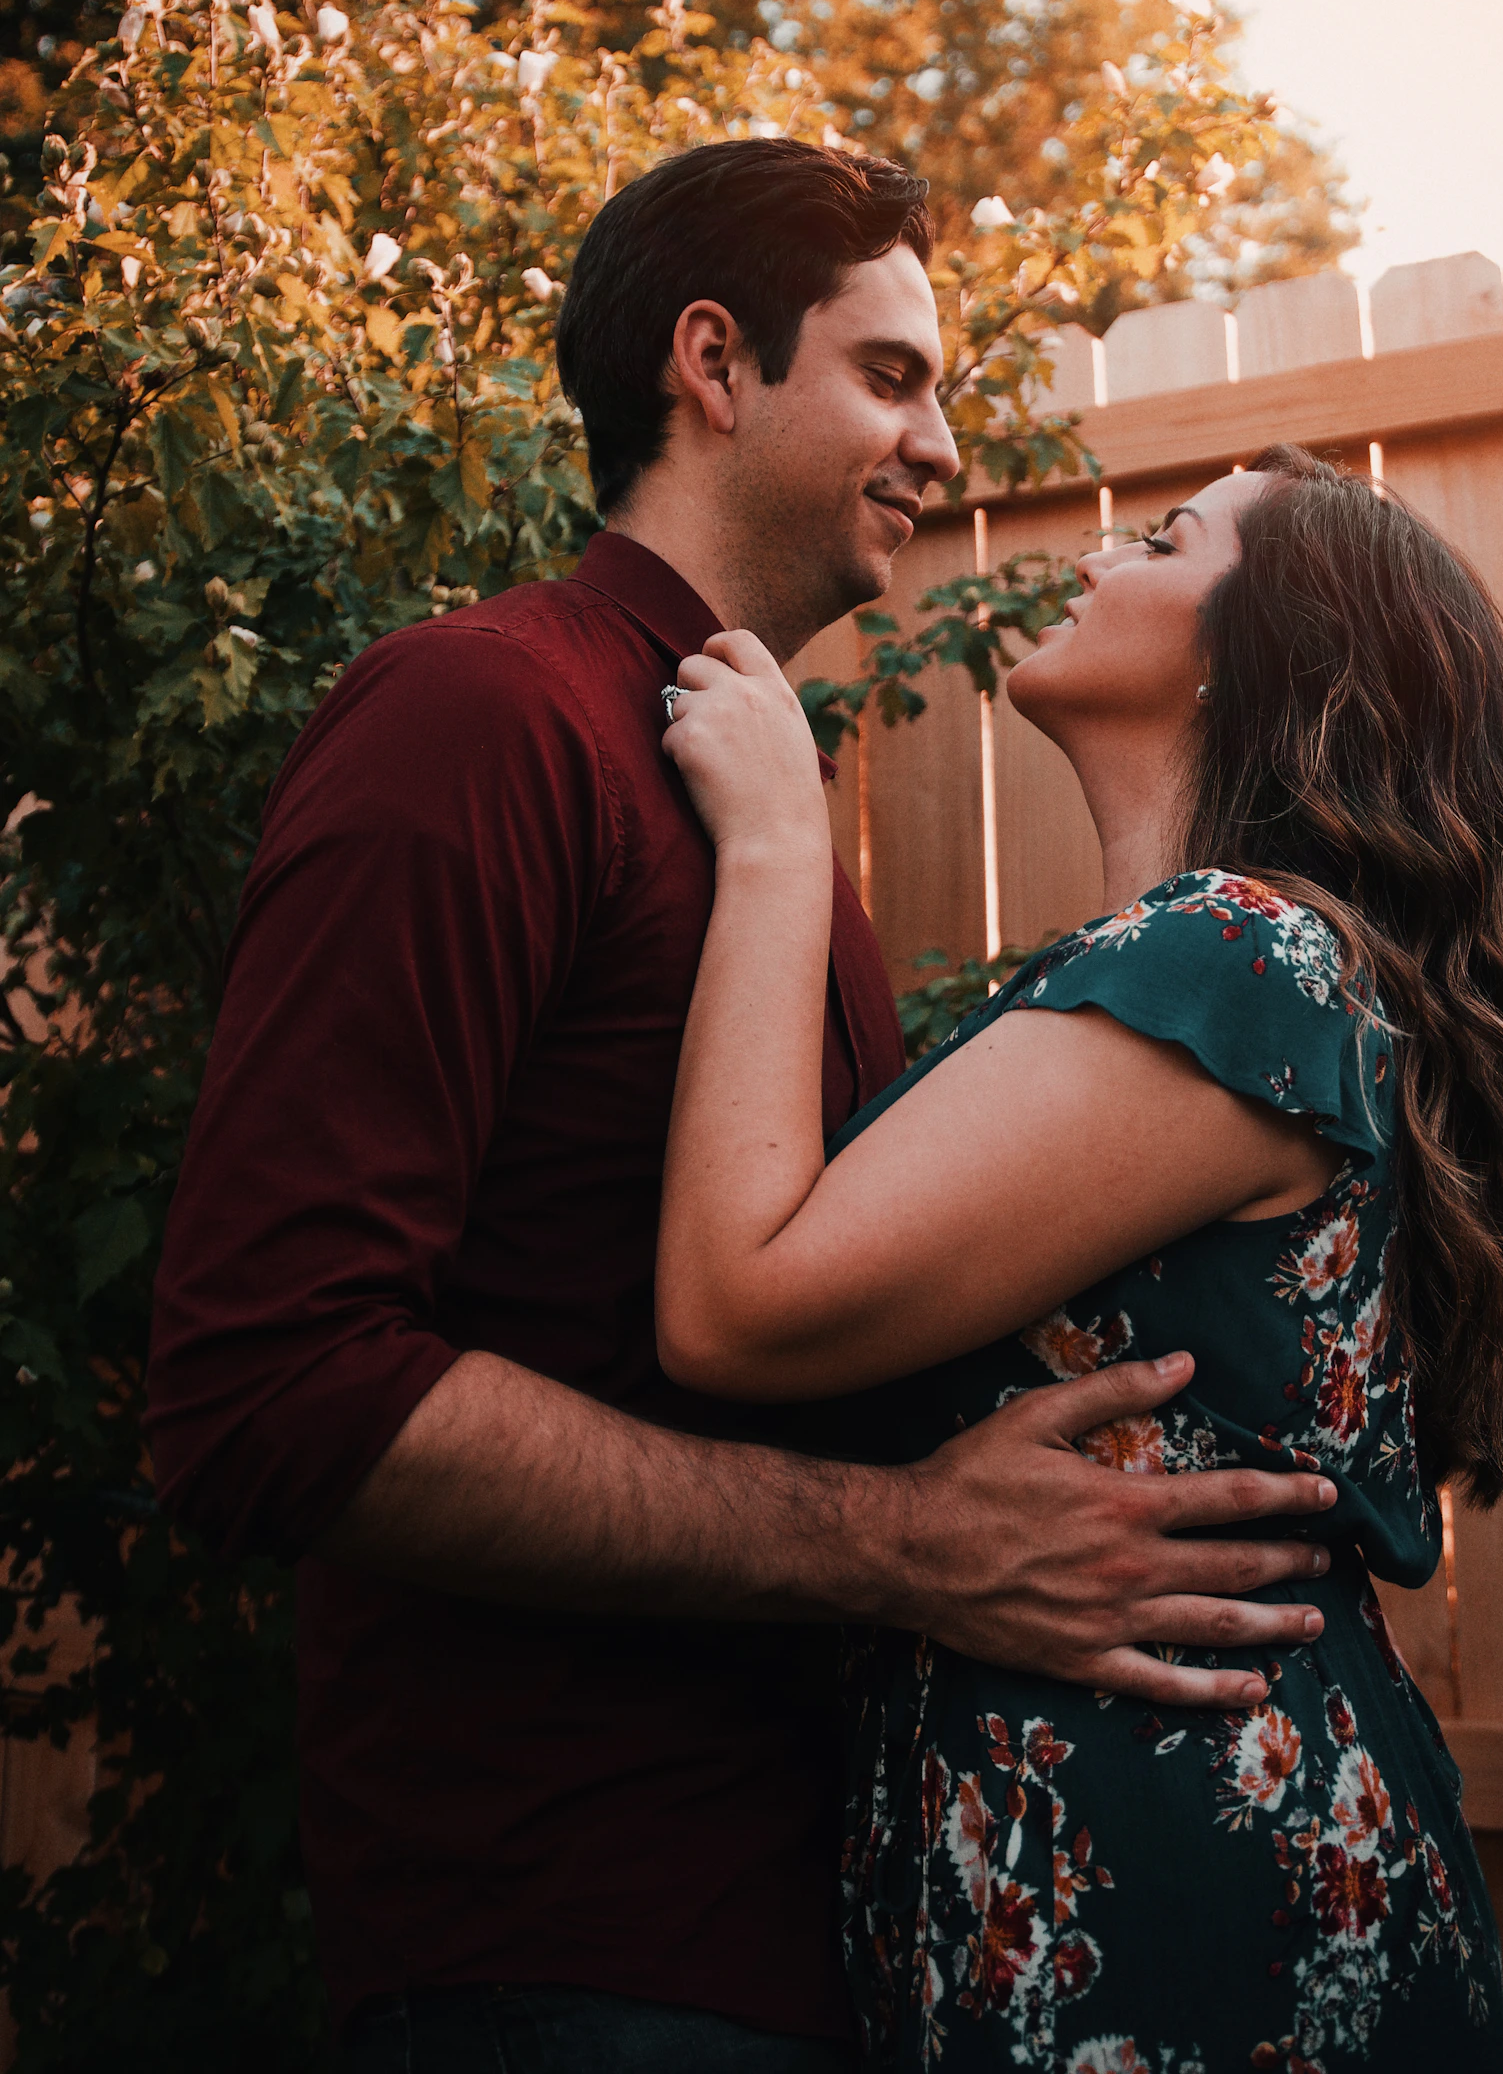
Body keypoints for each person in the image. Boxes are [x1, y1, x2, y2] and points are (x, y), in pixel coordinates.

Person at [143, 140, 1337, 2070]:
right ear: (714, 362)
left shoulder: (762, 811)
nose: (942, 448)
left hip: (813, 1933)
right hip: (569, 1947)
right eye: (891, 376)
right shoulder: (483, 716)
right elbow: (263, 1387)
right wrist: (903, 1545)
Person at [651, 446, 1503, 2072]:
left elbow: (735, 1309)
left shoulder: (1241, 958)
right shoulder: (1195, 978)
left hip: (1184, 1897)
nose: (1097, 548)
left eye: (1164, 537)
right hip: (1123, 1854)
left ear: (1264, 646)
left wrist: (783, 851)